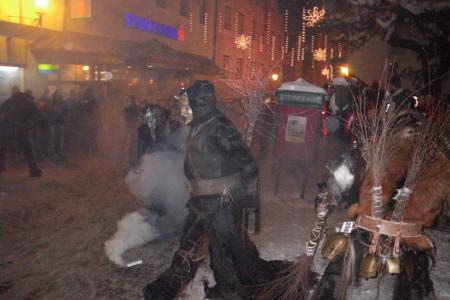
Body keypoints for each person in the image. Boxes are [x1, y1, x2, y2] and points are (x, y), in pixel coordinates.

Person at [142, 81, 287, 300]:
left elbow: (247, 163)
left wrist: (249, 199)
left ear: (200, 104)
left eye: (186, 105)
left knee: (215, 248)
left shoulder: (220, 126)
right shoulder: (199, 124)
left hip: (222, 202)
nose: (182, 111)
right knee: (207, 245)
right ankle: (227, 286)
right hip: (203, 200)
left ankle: (222, 290)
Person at [0, 88, 42, 177]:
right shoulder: (27, 103)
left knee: (3, 148)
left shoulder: (9, 102)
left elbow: (2, 113)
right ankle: (33, 170)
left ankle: (1, 166)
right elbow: (37, 115)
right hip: (21, 129)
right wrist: (29, 125)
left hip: (9, 128)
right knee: (28, 150)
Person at [44, 89, 67, 161]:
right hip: (53, 123)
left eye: (59, 94)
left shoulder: (62, 103)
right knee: (52, 141)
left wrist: (61, 112)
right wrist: (53, 111)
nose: (59, 96)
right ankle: (52, 155)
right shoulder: (51, 102)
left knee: (59, 141)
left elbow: (66, 112)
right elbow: (47, 112)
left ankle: (59, 155)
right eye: (58, 94)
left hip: (59, 123)